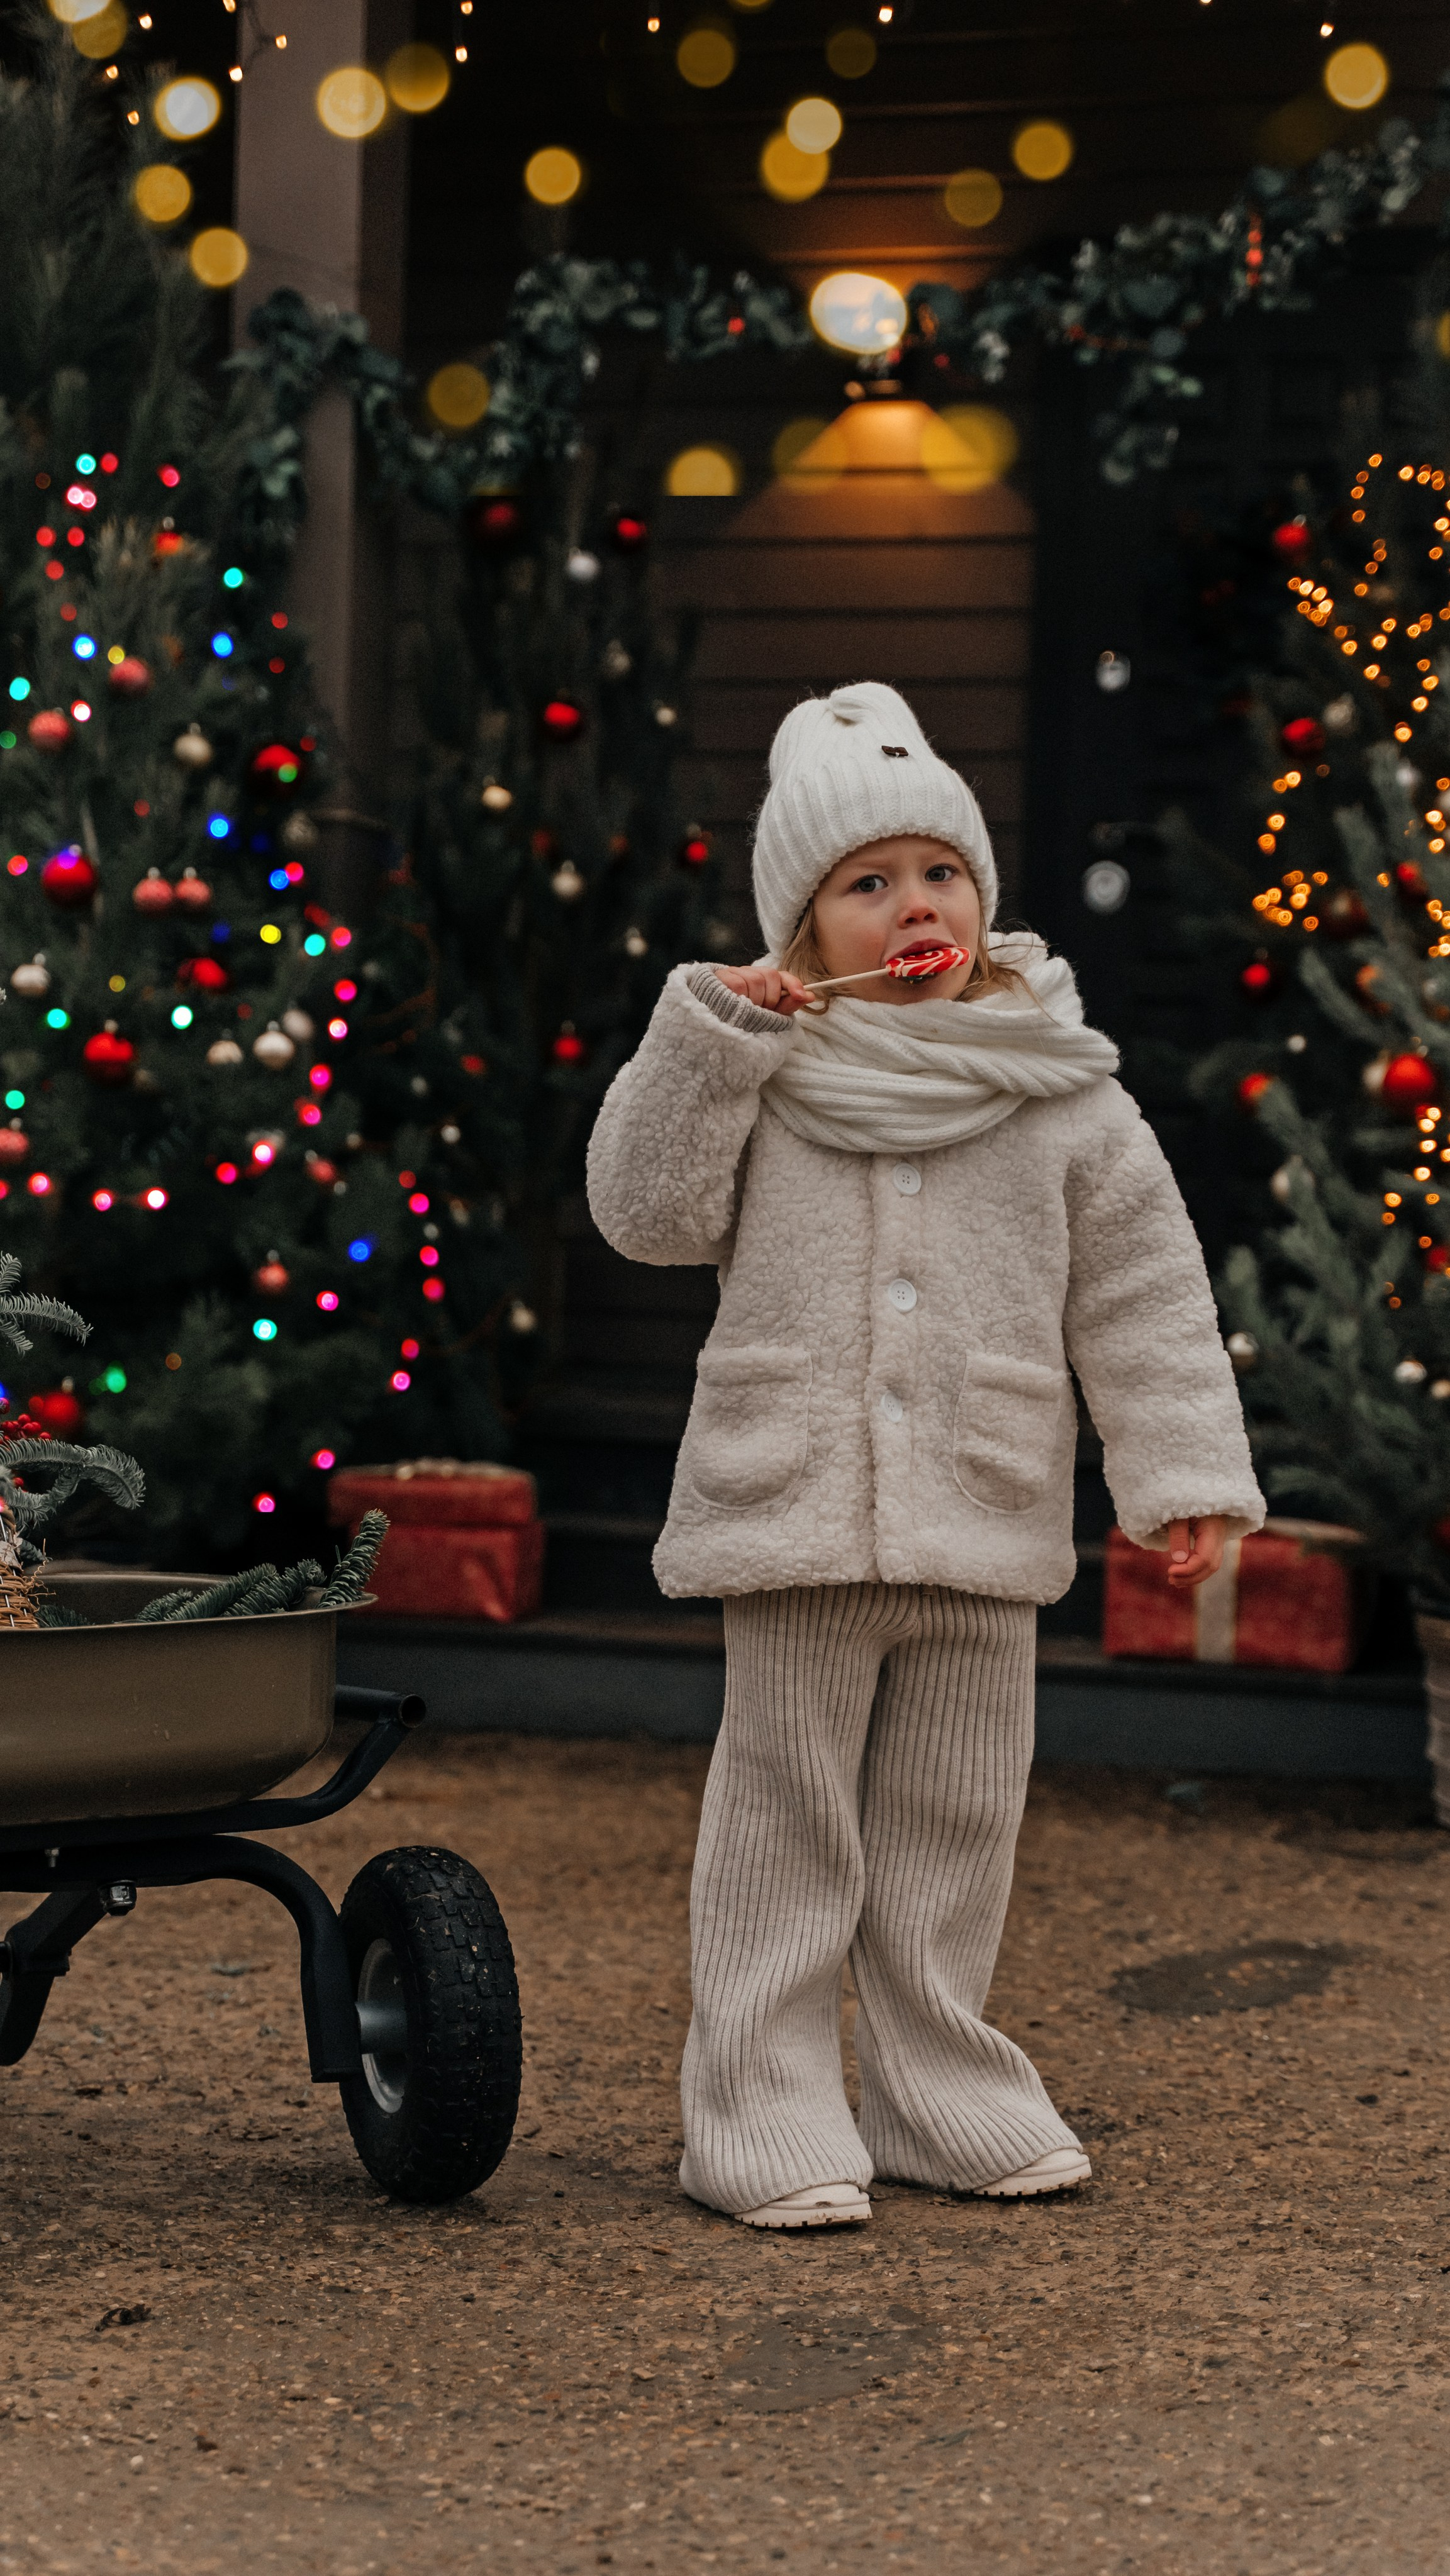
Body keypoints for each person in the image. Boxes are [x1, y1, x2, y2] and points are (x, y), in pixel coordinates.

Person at [586, 682, 1263, 2231]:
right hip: (798, 1505)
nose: (914, 906)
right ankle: (756, 2111)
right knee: (785, 1817)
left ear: (980, 895)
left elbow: (1144, 1287)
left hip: (983, 1494)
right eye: (866, 884)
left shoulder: (1059, 1083)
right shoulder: (759, 1069)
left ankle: (937, 2088)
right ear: (805, 927)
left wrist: (1178, 1470)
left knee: (957, 1823)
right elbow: (646, 1211)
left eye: (938, 873)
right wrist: (711, 1042)